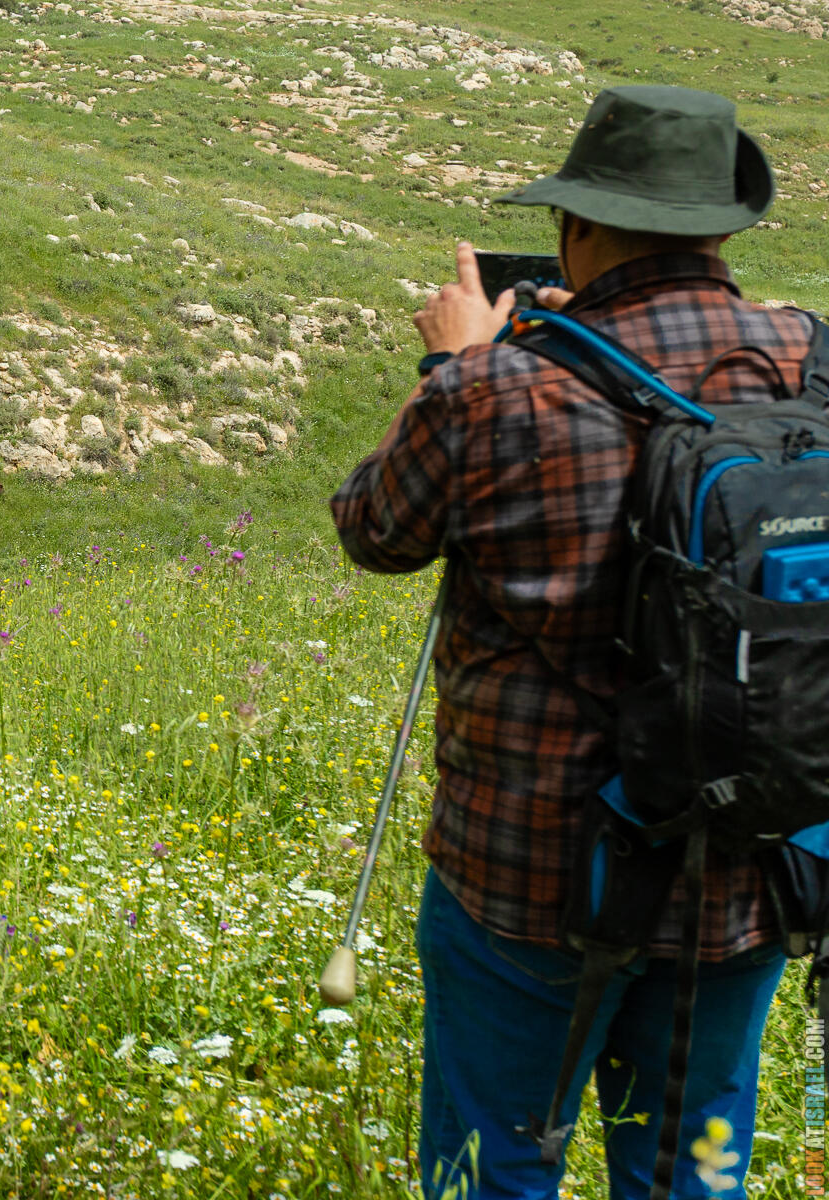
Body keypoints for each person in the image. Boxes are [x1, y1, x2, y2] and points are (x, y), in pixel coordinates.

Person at [330, 85, 815, 1198]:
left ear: (577, 227)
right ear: (722, 231)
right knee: (690, 1168)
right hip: (747, 855)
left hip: (529, 865)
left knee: (495, 1159)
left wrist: (454, 367)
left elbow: (375, 531)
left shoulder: (496, 385)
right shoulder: (814, 368)